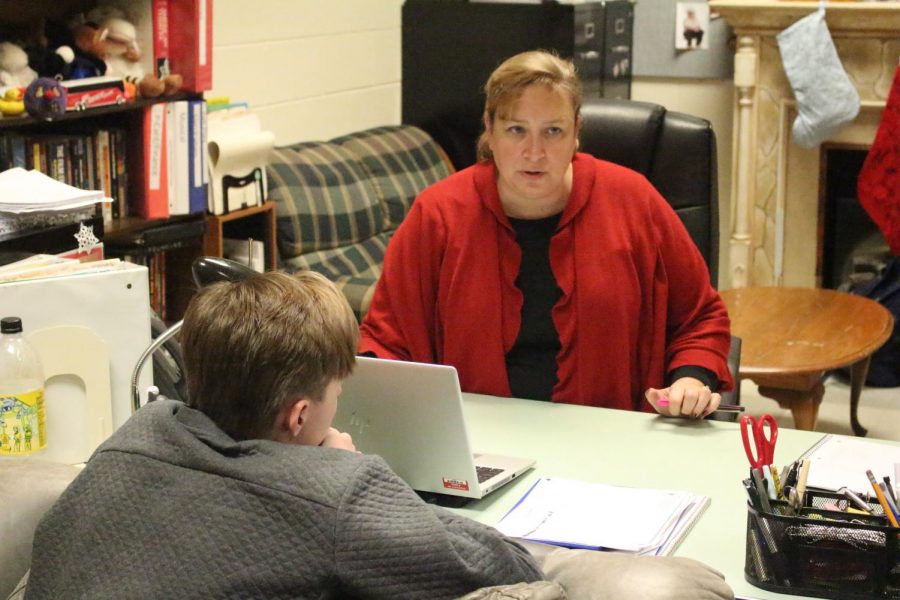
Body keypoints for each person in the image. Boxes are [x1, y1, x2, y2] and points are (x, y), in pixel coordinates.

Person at [24, 271, 542, 599]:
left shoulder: (127, 444)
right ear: (298, 417)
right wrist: (348, 474)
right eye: (337, 392)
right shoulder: (333, 495)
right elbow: (512, 567)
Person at [359, 50, 732, 418]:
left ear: (576, 133)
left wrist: (691, 380)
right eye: (516, 130)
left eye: (553, 131)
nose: (534, 153)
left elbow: (699, 317)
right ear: (489, 131)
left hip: (612, 435)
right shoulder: (438, 214)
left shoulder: (633, 201)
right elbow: (386, 340)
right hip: (478, 441)